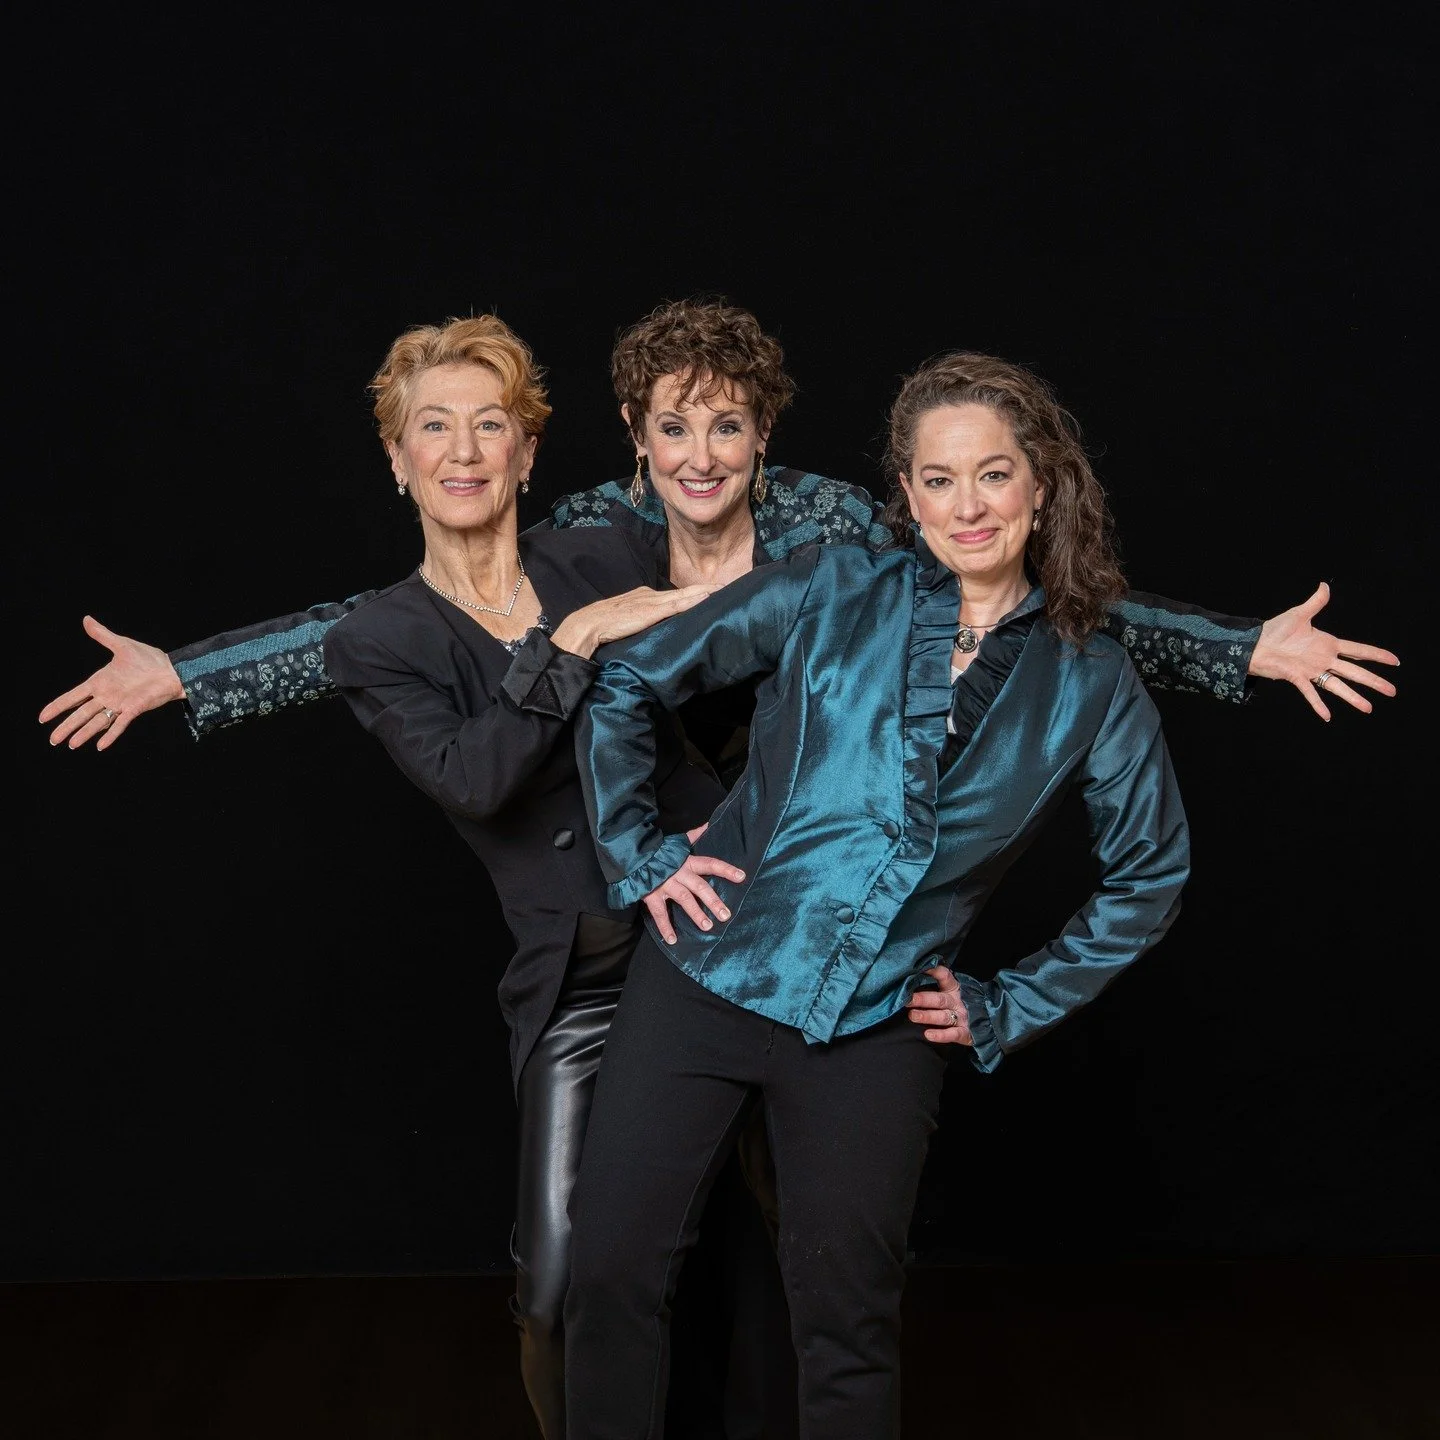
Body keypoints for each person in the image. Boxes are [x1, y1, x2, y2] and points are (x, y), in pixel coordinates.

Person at [36, 301, 1399, 1434]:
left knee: (812, 1284)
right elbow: (399, 613)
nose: (701, 454)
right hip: (643, 946)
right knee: (598, 1273)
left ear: (768, 437)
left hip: (849, 965)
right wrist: (193, 673)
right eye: (672, 428)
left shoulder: (835, 536)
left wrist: (1235, 649)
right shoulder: (597, 542)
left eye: (727, 425)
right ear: (632, 444)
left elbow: (1028, 574)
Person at [562, 351, 1201, 1437]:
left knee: (847, 1325)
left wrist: (1008, 1003)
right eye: (939, 479)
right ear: (905, 493)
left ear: (1041, 484)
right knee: (609, 1278)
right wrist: (644, 855)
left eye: (993, 476)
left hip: (878, 1028)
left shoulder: (1092, 679)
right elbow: (628, 677)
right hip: (707, 975)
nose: (968, 505)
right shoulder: (833, 583)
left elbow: (1151, 872)